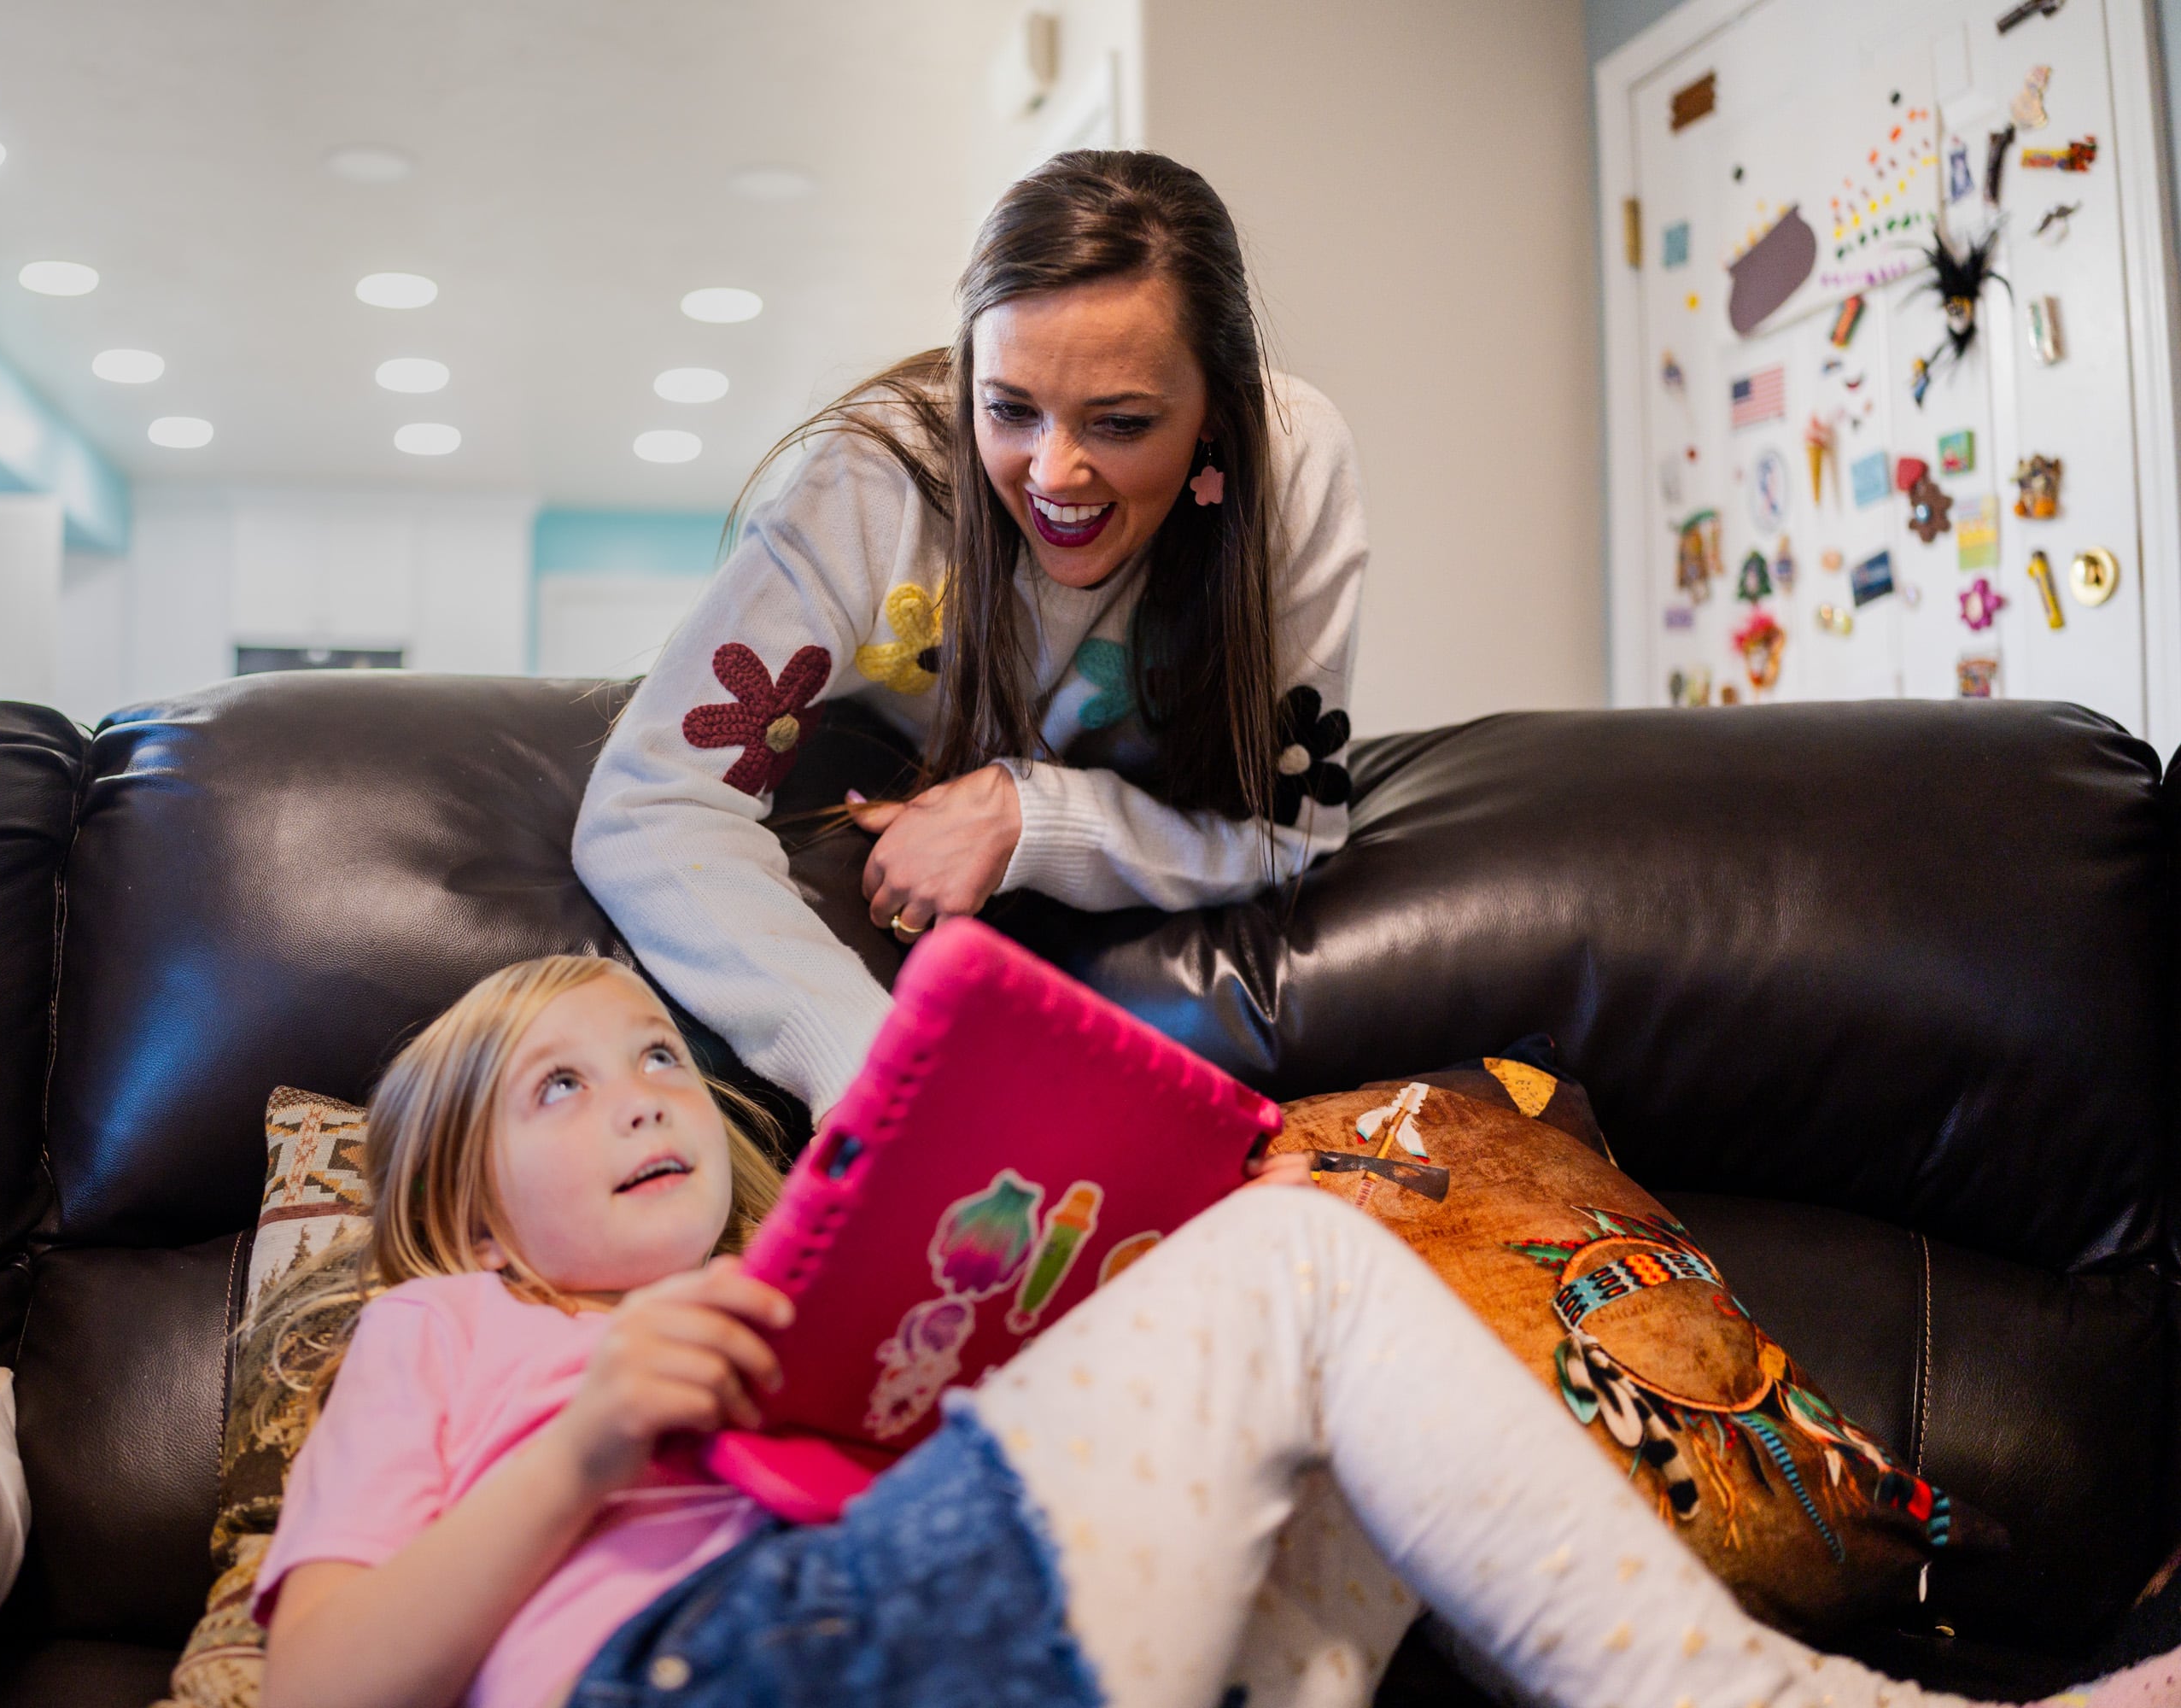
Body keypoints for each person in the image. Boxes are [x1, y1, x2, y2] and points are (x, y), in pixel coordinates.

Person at [252, 954, 2176, 1708]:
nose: (647, 1097)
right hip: (689, 1676)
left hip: (944, 1627)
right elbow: (326, 1690)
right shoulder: (452, 1327)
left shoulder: (808, 1298)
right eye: (559, 1091)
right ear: (455, 1195)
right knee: (1306, 1262)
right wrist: (588, 1448)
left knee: (1313, 1412)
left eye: (659, 1056)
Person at [575, 151, 1366, 1120]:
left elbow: (1289, 828)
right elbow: (648, 801)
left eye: (1120, 422)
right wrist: (872, 1072)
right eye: (1009, 409)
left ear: (1216, 408)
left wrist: (1028, 816)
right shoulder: (873, 476)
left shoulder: (1292, 463)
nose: (1055, 473)